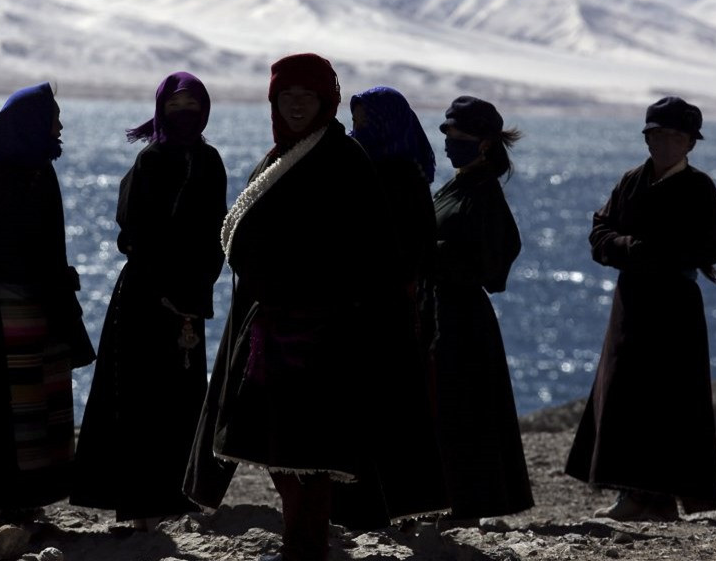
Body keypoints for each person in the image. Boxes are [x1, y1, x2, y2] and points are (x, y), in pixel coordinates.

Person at [184, 53, 386, 561]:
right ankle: (302, 542)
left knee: (309, 452)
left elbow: (360, 244)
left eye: (307, 97)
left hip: (318, 328)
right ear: (274, 102)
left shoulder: (344, 160)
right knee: (278, 446)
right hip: (270, 323)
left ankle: (306, 546)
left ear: (326, 101)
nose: (297, 107)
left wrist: (299, 283)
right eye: (287, 98)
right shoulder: (279, 157)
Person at [565, 95, 716, 521]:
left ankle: (659, 499)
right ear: (646, 138)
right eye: (657, 134)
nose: (665, 143)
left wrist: (662, 255)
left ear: (691, 144)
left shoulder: (699, 188)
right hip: (631, 303)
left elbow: (715, 241)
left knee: (668, 399)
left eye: (675, 136)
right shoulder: (630, 181)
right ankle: (631, 494)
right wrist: (631, 250)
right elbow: (600, 230)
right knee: (624, 392)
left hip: (675, 307)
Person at [71, 72, 227, 529]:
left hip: (189, 299)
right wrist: (165, 285)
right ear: (162, 109)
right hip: (145, 296)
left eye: (192, 106)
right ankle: (138, 507)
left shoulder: (211, 160)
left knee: (181, 397)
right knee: (139, 398)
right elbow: (135, 233)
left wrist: (198, 287)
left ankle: (177, 498)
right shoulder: (150, 161)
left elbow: (218, 229)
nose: (185, 115)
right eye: (175, 106)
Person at [0, 82, 95, 531]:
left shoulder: (32, 171)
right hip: (0, 311)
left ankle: (24, 502)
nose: (60, 125)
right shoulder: (8, 175)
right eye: (54, 116)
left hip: (30, 304)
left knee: (31, 405)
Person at [331, 86, 448, 528]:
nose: (359, 131)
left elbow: (404, 254)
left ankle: (376, 511)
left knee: (384, 411)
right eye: (355, 122)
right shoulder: (387, 172)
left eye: (366, 123)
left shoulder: (397, 176)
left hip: (387, 315)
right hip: (376, 310)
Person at [425, 95, 534, 521]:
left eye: (461, 136)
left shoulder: (482, 192)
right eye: (448, 134)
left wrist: (433, 255)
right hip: (443, 312)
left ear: (485, 143)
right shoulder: (460, 185)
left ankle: (467, 502)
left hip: (462, 318)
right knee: (447, 406)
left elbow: (494, 259)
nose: (451, 143)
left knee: (462, 409)